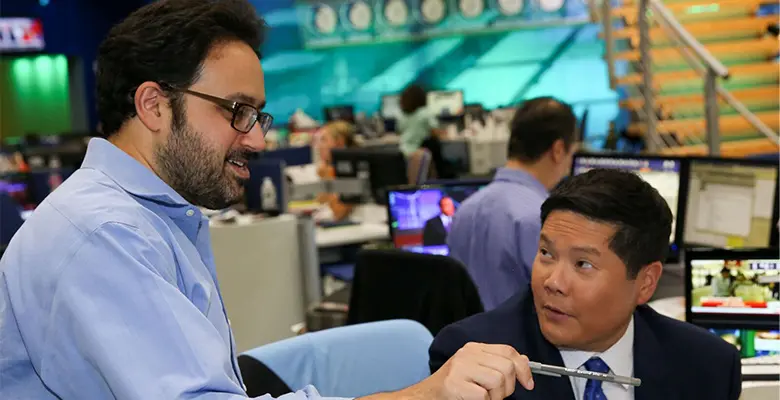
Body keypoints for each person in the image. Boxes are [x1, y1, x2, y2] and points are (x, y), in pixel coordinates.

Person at [0, 1, 538, 399]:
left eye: (257, 115)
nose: (257, 138)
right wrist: (424, 394)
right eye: (237, 110)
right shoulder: (107, 236)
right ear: (153, 105)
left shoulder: (150, 218)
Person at [430, 169, 742, 400]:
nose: (553, 282)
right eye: (546, 253)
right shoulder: (473, 359)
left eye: (583, 264)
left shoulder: (709, 366)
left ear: (646, 283)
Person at [447, 97, 577, 310]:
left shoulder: (465, 211)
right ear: (558, 150)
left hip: (470, 341)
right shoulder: (543, 218)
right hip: (524, 342)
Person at [315, 121, 357, 221]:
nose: (318, 146)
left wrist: (327, 179)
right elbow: (320, 202)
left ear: (339, 143)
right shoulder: (332, 169)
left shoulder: (351, 170)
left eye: (324, 140)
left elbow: (339, 213)